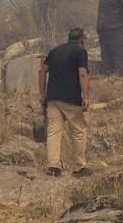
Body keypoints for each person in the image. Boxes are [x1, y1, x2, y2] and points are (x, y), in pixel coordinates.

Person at [38, 27, 92, 177]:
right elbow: (82, 73)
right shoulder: (80, 52)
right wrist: (86, 96)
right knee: (78, 132)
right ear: (81, 39)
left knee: (54, 132)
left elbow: (42, 71)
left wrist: (42, 94)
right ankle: (79, 167)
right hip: (71, 99)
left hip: (53, 98)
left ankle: (54, 166)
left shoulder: (54, 51)